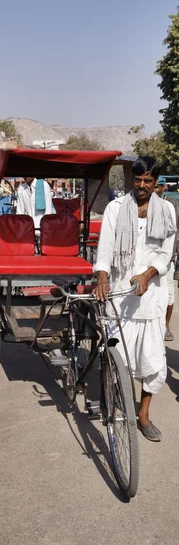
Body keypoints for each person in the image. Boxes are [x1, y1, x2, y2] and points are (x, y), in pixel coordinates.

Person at [94, 156, 176, 441]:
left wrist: (148, 274)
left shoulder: (166, 210)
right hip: (120, 297)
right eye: (137, 180)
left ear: (156, 182)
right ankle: (119, 404)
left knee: (152, 363)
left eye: (148, 181)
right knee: (118, 359)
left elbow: (166, 253)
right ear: (132, 179)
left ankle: (143, 415)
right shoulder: (116, 208)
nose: (141, 186)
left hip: (151, 298)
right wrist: (102, 277)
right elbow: (104, 249)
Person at [154, 177, 179, 341]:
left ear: (163, 188)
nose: (154, 190)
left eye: (157, 186)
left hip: (169, 256)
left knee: (169, 295)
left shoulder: (172, 205)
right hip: (149, 256)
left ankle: (166, 325)